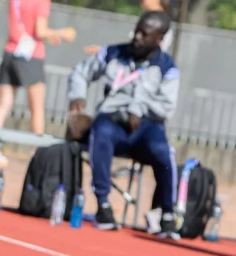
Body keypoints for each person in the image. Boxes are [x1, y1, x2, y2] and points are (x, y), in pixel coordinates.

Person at [66, 11, 180, 237]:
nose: (137, 37)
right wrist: (78, 94)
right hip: (113, 120)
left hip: (146, 127)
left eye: (144, 34)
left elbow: (167, 107)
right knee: (101, 131)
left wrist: (138, 108)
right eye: (137, 30)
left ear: (159, 39)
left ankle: (167, 213)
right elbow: (80, 72)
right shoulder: (113, 53)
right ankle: (103, 205)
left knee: (163, 152)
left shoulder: (167, 67)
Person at [0, 0, 75, 168]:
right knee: (37, 107)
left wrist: (50, 35)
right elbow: (40, 31)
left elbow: (25, 27)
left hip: (11, 51)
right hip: (31, 56)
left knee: (4, 103)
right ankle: (37, 151)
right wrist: (62, 33)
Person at [83, 0, 174, 56]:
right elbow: (129, 49)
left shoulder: (164, 26)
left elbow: (146, 53)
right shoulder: (144, 19)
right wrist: (106, 51)